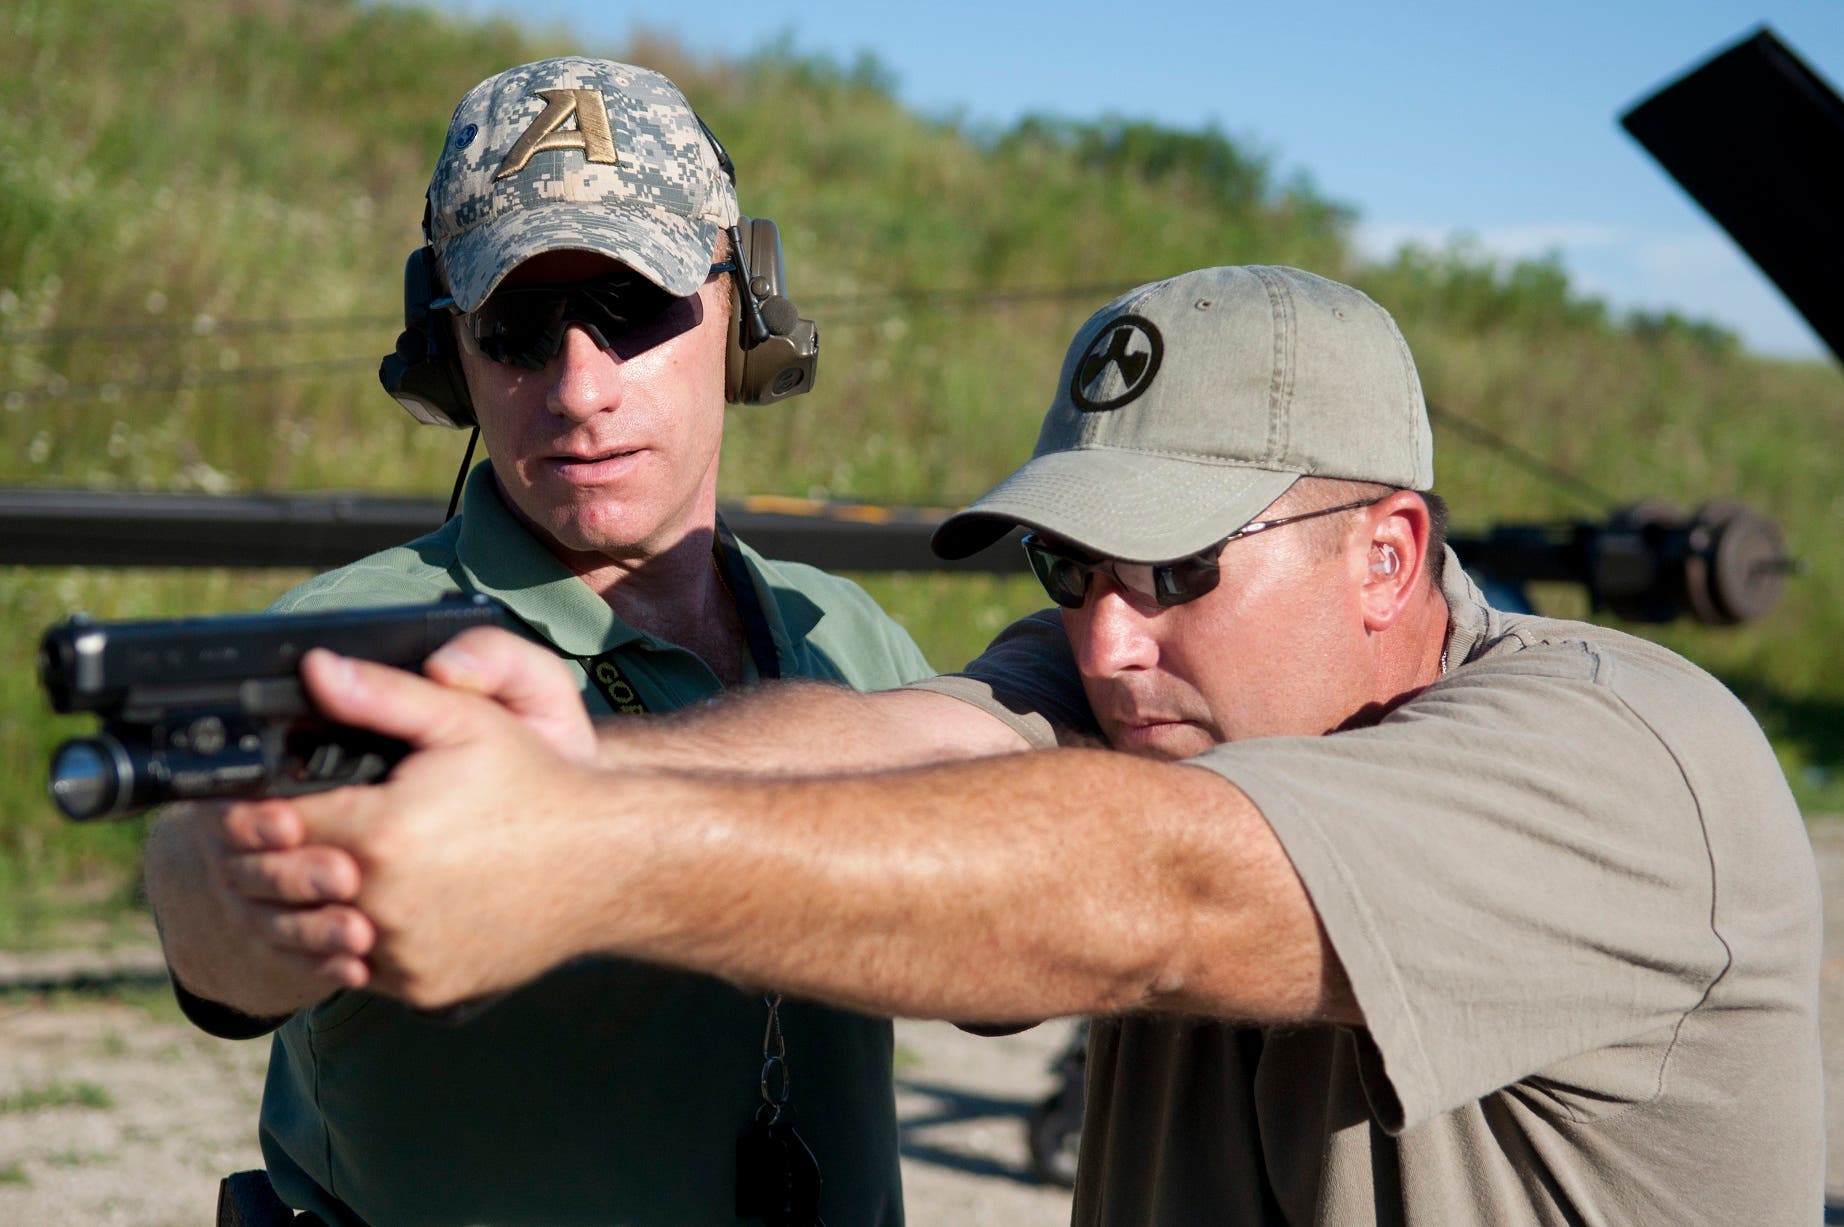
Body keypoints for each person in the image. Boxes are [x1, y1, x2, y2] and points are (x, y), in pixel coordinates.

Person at [219, 265, 1823, 1224]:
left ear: (1388, 555)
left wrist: (576, 857)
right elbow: (903, 747)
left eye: (1182, 569)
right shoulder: (1142, 682)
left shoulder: (1619, 761)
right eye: (1075, 569)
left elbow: (1169, 894)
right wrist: (562, 771)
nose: (1112, 641)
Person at [142, 56, 931, 1226]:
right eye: (516, 324)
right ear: (445, 347)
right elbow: (216, 922)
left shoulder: (844, 634)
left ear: (743, 310)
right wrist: (230, 878)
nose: (577, 386)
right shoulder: (352, 647)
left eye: (631, 308)